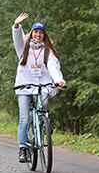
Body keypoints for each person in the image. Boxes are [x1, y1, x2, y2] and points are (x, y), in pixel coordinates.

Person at [12, 13, 66, 163]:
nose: (38, 35)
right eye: (35, 32)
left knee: (45, 105)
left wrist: (59, 81)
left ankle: (44, 126)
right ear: (31, 33)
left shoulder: (48, 50)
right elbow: (17, 37)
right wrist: (16, 26)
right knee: (24, 119)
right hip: (24, 85)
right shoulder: (24, 47)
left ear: (44, 35)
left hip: (42, 85)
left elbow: (53, 67)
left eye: (41, 33)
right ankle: (23, 148)